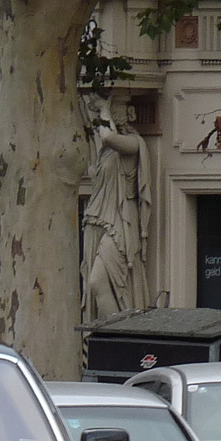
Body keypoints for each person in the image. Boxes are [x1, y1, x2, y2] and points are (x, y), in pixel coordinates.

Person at [82, 93, 153, 319]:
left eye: (115, 110)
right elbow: (102, 139)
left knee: (97, 280)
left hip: (121, 221)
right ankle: (107, 337)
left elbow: (108, 137)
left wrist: (103, 108)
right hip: (96, 219)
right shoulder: (105, 154)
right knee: (94, 285)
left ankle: (116, 335)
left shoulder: (133, 144)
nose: (112, 113)